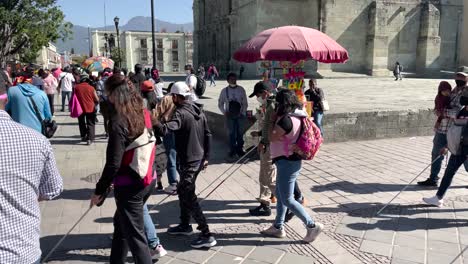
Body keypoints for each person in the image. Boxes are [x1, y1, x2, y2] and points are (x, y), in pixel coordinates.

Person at [91, 74, 165, 262]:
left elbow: (113, 163)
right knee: (122, 224)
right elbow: (161, 130)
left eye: (107, 93)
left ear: (115, 94)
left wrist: (99, 190)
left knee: (135, 236)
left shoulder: (119, 121)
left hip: (130, 183)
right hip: (148, 176)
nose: (106, 97)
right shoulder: (144, 113)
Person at [0, 79, 63, 264]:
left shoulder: (14, 93)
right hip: (21, 250)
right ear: (4, 98)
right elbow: (53, 188)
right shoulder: (38, 141)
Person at [153, 82, 216, 248]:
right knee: (183, 191)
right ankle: (185, 224)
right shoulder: (197, 110)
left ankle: (206, 234)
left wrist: (153, 121)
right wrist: (207, 156)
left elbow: (166, 130)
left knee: (188, 193)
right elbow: (208, 135)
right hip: (197, 158)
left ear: (175, 97)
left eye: (172, 96)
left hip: (190, 160)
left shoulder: (180, 113)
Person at [260, 89, 323, 243]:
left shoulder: (286, 120)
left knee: (287, 199)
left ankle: (311, 225)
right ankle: (278, 226)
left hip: (286, 161)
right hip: (291, 161)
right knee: (281, 196)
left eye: (277, 103)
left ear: (281, 103)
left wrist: (271, 121)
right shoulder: (299, 116)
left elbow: (272, 137)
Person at [418, 73, 468, 187]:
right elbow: (438, 109)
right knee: (436, 153)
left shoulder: (467, 92)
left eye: (462, 77)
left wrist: (443, 112)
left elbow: (459, 113)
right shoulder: (452, 90)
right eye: (457, 77)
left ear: (467, 79)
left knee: (463, 156)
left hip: (458, 131)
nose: (459, 79)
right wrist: (440, 111)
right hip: (443, 128)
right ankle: (433, 179)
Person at [423, 91, 468, 207]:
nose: (463, 100)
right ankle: (438, 198)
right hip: (458, 149)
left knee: (449, 172)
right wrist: (448, 146)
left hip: (465, 150)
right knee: (449, 173)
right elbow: (456, 131)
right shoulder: (462, 111)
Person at [248, 81, 277, 216]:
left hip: (270, 145)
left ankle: (289, 205)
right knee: (263, 176)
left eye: (258, 94)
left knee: (270, 178)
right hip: (266, 144)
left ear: (265, 93)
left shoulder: (273, 105)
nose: (257, 98)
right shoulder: (268, 104)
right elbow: (267, 127)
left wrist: (264, 141)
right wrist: (260, 134)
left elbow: (273, 128)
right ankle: (264, 203)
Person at [154, 91, 179, 194]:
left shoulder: (167, 99)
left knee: (171, 157)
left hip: (169, 129)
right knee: (179, 157)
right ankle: (185, 182)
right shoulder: (186, 98)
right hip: (182, 129)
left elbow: (156, 113)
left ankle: (173, 184)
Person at [218, 72, 248, 158]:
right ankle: (232, 150)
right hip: (229, 116)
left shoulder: (241, 89)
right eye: (231, 79)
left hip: (240, 115)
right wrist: (224, 112)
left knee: (240, 133)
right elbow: (220, 103)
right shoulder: (224, 91)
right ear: (227, 81)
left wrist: (242, 113)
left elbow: (245, 102)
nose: (233, 80)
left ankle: (240, 149)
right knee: (231, 133)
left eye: (235, 78)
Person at [74, 73, 99, 145]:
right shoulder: (91, 88)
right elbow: (96, 99)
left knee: (81, 122)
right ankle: (90, 139)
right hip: (90, 108)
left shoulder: (76, 87)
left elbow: (73, 98)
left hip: (79, 108)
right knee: (90, 123)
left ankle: (83, 136)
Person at [98, 69, 112, 138]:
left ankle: (107, 133)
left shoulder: (100, 82)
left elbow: (98, 93)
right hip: (111, 101)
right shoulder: (112, 81)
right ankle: (111, 131)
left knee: (105, 118)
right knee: (111, 118)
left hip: (103, 102)